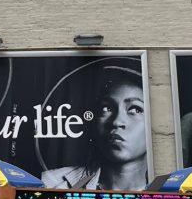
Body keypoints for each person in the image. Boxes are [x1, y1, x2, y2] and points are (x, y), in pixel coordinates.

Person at [42, 63, 148, 191]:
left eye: (135, 109)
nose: (116, 122)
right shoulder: (50, 183)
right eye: (107, 108)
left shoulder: (169, 192)